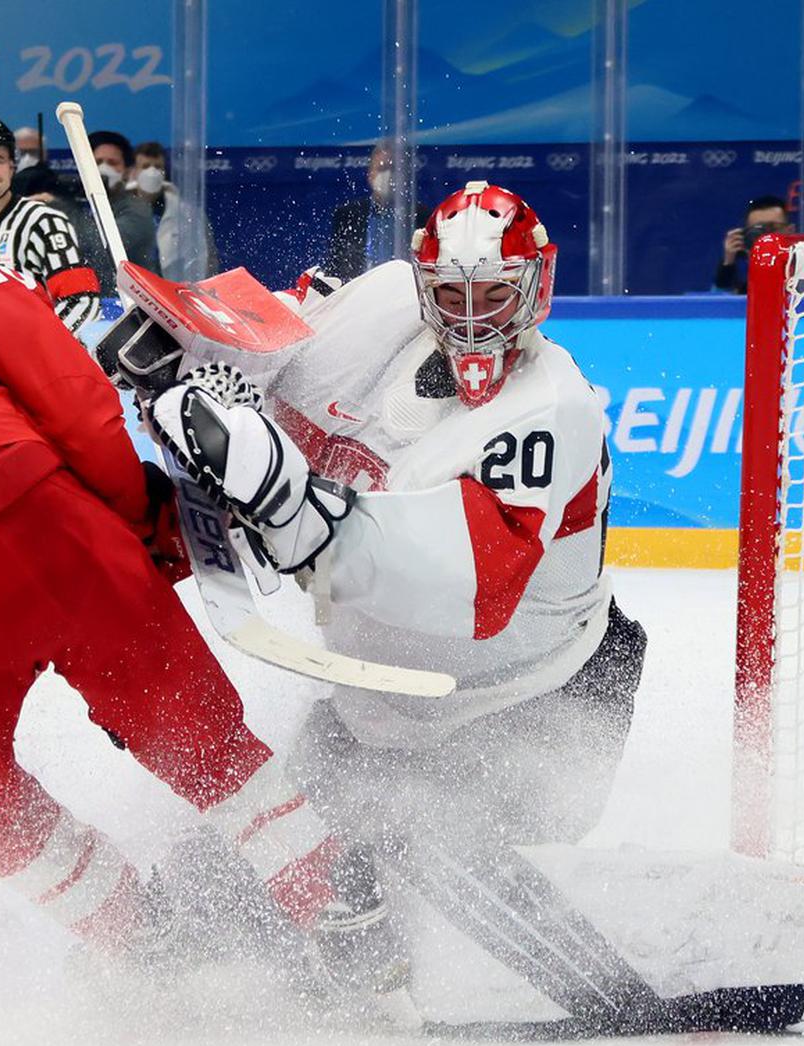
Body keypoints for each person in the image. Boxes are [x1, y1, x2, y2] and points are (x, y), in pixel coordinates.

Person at [0, 177, 405, 1002]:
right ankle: (334, 903)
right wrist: (139, 521)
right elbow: (74, 406)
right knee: (187, 729)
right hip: (28, 518)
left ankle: (139, 937)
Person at [149, 181, 647, 883]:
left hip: (528, 703)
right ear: (423, 287)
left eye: (494, 296)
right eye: (452, 295)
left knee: (417, 905)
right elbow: (271, 333)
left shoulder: (552, 410)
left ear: (536, 288)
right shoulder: (381, 307)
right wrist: (189, 342)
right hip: (377, 704)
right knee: (234, 890)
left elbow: (473, 589)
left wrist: (291, 513)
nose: (473, 321)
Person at [0, 117, 101, 337]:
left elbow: (81, 300)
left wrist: (31, 347)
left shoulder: (44, 222)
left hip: (39, 364)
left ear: (13, 165)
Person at [324, 140, 431, 282]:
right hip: (359, 293)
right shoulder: (347, 215)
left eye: (393, 169)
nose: (387, 174)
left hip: (404, 292)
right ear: (370, 174)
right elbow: (335, 268)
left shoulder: (421, 216)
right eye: (381, 168)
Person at [131, 141, 220, 282]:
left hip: (174, 293)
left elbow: (207, 258)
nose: (152, 172)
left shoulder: (190, 214)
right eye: (146, 166)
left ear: (164, 172)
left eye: (158, 167)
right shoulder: (115, 211)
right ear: (134, 172)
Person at [88, 130, 160, 291]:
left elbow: (100, 247)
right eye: (97, 162)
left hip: (129, 304)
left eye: (112, 162)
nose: (103, 168)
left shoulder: (138, 208)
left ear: (127, 171)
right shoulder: (82, 205)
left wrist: (63, 211)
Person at [714, 194, 795, 294]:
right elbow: (716, 304)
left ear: (790, 231)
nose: (766, 236)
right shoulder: (741, 277)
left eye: (773, 227)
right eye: (758, 229)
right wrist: (728, 262)